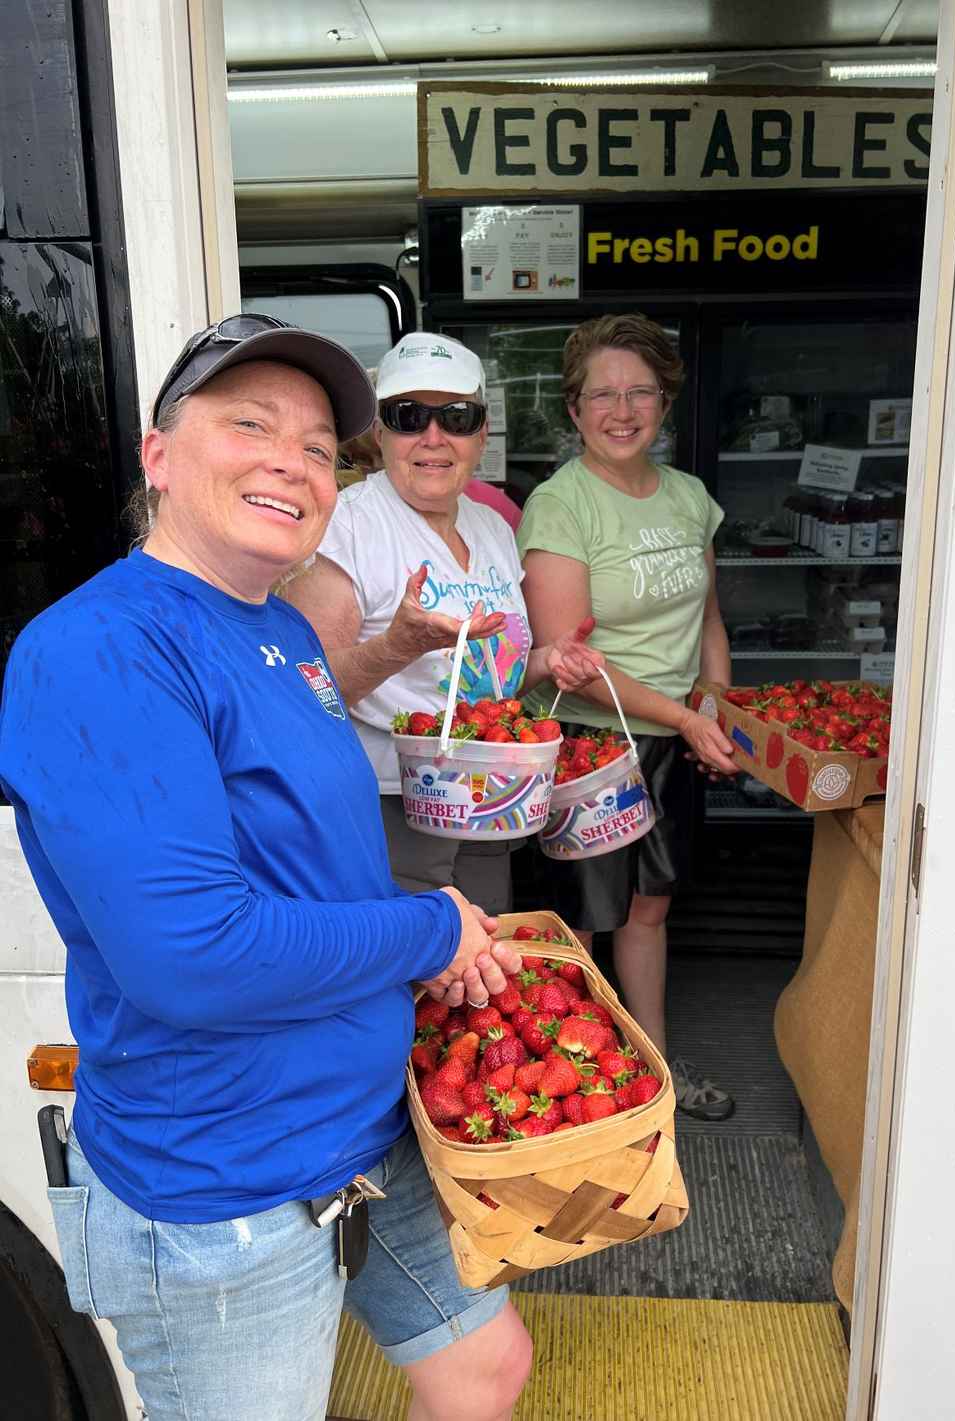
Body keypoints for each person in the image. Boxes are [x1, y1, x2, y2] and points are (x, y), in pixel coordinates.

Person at [0, 313, 533, 1421]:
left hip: (363, 1130)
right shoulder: (100, 648)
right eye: (250, 424)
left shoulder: (277, 632)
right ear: (159, 456)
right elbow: (193, 955)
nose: (290, 462)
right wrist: (429, 928)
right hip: (224, 1180)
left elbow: (303, 874)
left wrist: (416, 934)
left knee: (485, 1370)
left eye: (315, 446)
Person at [285, 331, 602, 915]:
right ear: (380, 433)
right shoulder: (348, 526)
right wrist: (398, 647)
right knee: (409, 985)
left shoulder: (493, 530)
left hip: (487, 798)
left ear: (481, 434)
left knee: (478, 978)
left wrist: (547, 664)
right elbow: (308, 693)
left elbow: (490, 681)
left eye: (456, 416)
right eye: (409, 416)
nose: (433, 437)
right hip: (389, 806)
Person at [517, 312, 738, 1122]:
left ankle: (653, 1069)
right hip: (592, 741)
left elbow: (708, 617)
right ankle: (575, 1087)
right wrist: (684, 719)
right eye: (602, 394)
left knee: (652, 905)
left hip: (677, 732)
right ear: (573, 410)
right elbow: (568, 658)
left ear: (664, 402)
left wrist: (715, 709)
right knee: (583, 919)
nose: (622, 409)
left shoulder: (689, 498)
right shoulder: (559, 506)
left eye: (640, 391)